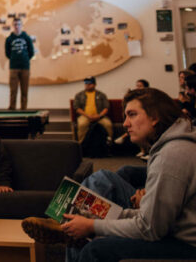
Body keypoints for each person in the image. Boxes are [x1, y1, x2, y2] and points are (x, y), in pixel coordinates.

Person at [22, 88, 196, 261]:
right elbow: (150, 218)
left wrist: (93, 226)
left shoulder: (170, 156)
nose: (126, 123)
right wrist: (93, 220)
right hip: (172, 229)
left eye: (132, 114)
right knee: (103, 179)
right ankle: (69, 221)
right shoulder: (172, 147)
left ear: (155, 117)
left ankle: (66, 223)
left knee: (95, 248)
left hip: (186, 246)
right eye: (126, 116)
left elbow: (149, 228)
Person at [4, 18, 35, 110]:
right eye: (15, 25)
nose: (17, 26)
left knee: (24, 91)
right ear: (13, 26)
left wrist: (24, 59)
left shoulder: (27, 38)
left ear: (22, 25)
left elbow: (31, 52)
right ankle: (12, 109)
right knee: (13, 90)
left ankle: (23, 109)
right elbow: (7, 53)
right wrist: (15, 59)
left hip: (25, 67)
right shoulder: (9, 39)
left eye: (18, 24)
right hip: (13, 68)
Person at [74, 77, 112, 144]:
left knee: (108, 124)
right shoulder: (79, 95)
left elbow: (106, 107)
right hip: (85, 116)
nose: (87, 85)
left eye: (89, 84)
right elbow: (76, 108)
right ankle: (80, 145)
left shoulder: (101, 95)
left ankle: (109, 144)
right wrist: (88, 116)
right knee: (82, 124)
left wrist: (99, 116)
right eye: (86, 84)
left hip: (100, 117)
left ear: (94, 84)